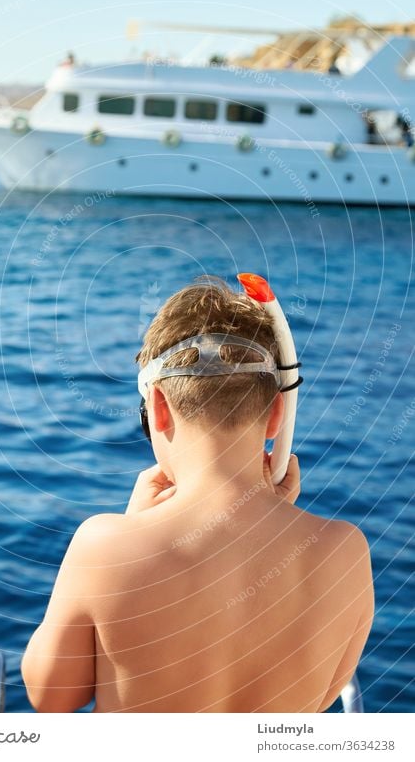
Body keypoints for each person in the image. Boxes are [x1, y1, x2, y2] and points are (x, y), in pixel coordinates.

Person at [22, 277, 374, 713]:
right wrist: (270, 521)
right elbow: (320, 699)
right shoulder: (345, 554)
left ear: (159, 407)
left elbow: (51, 696)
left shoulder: (107, 546)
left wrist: (132, 527)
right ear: (276, 415)